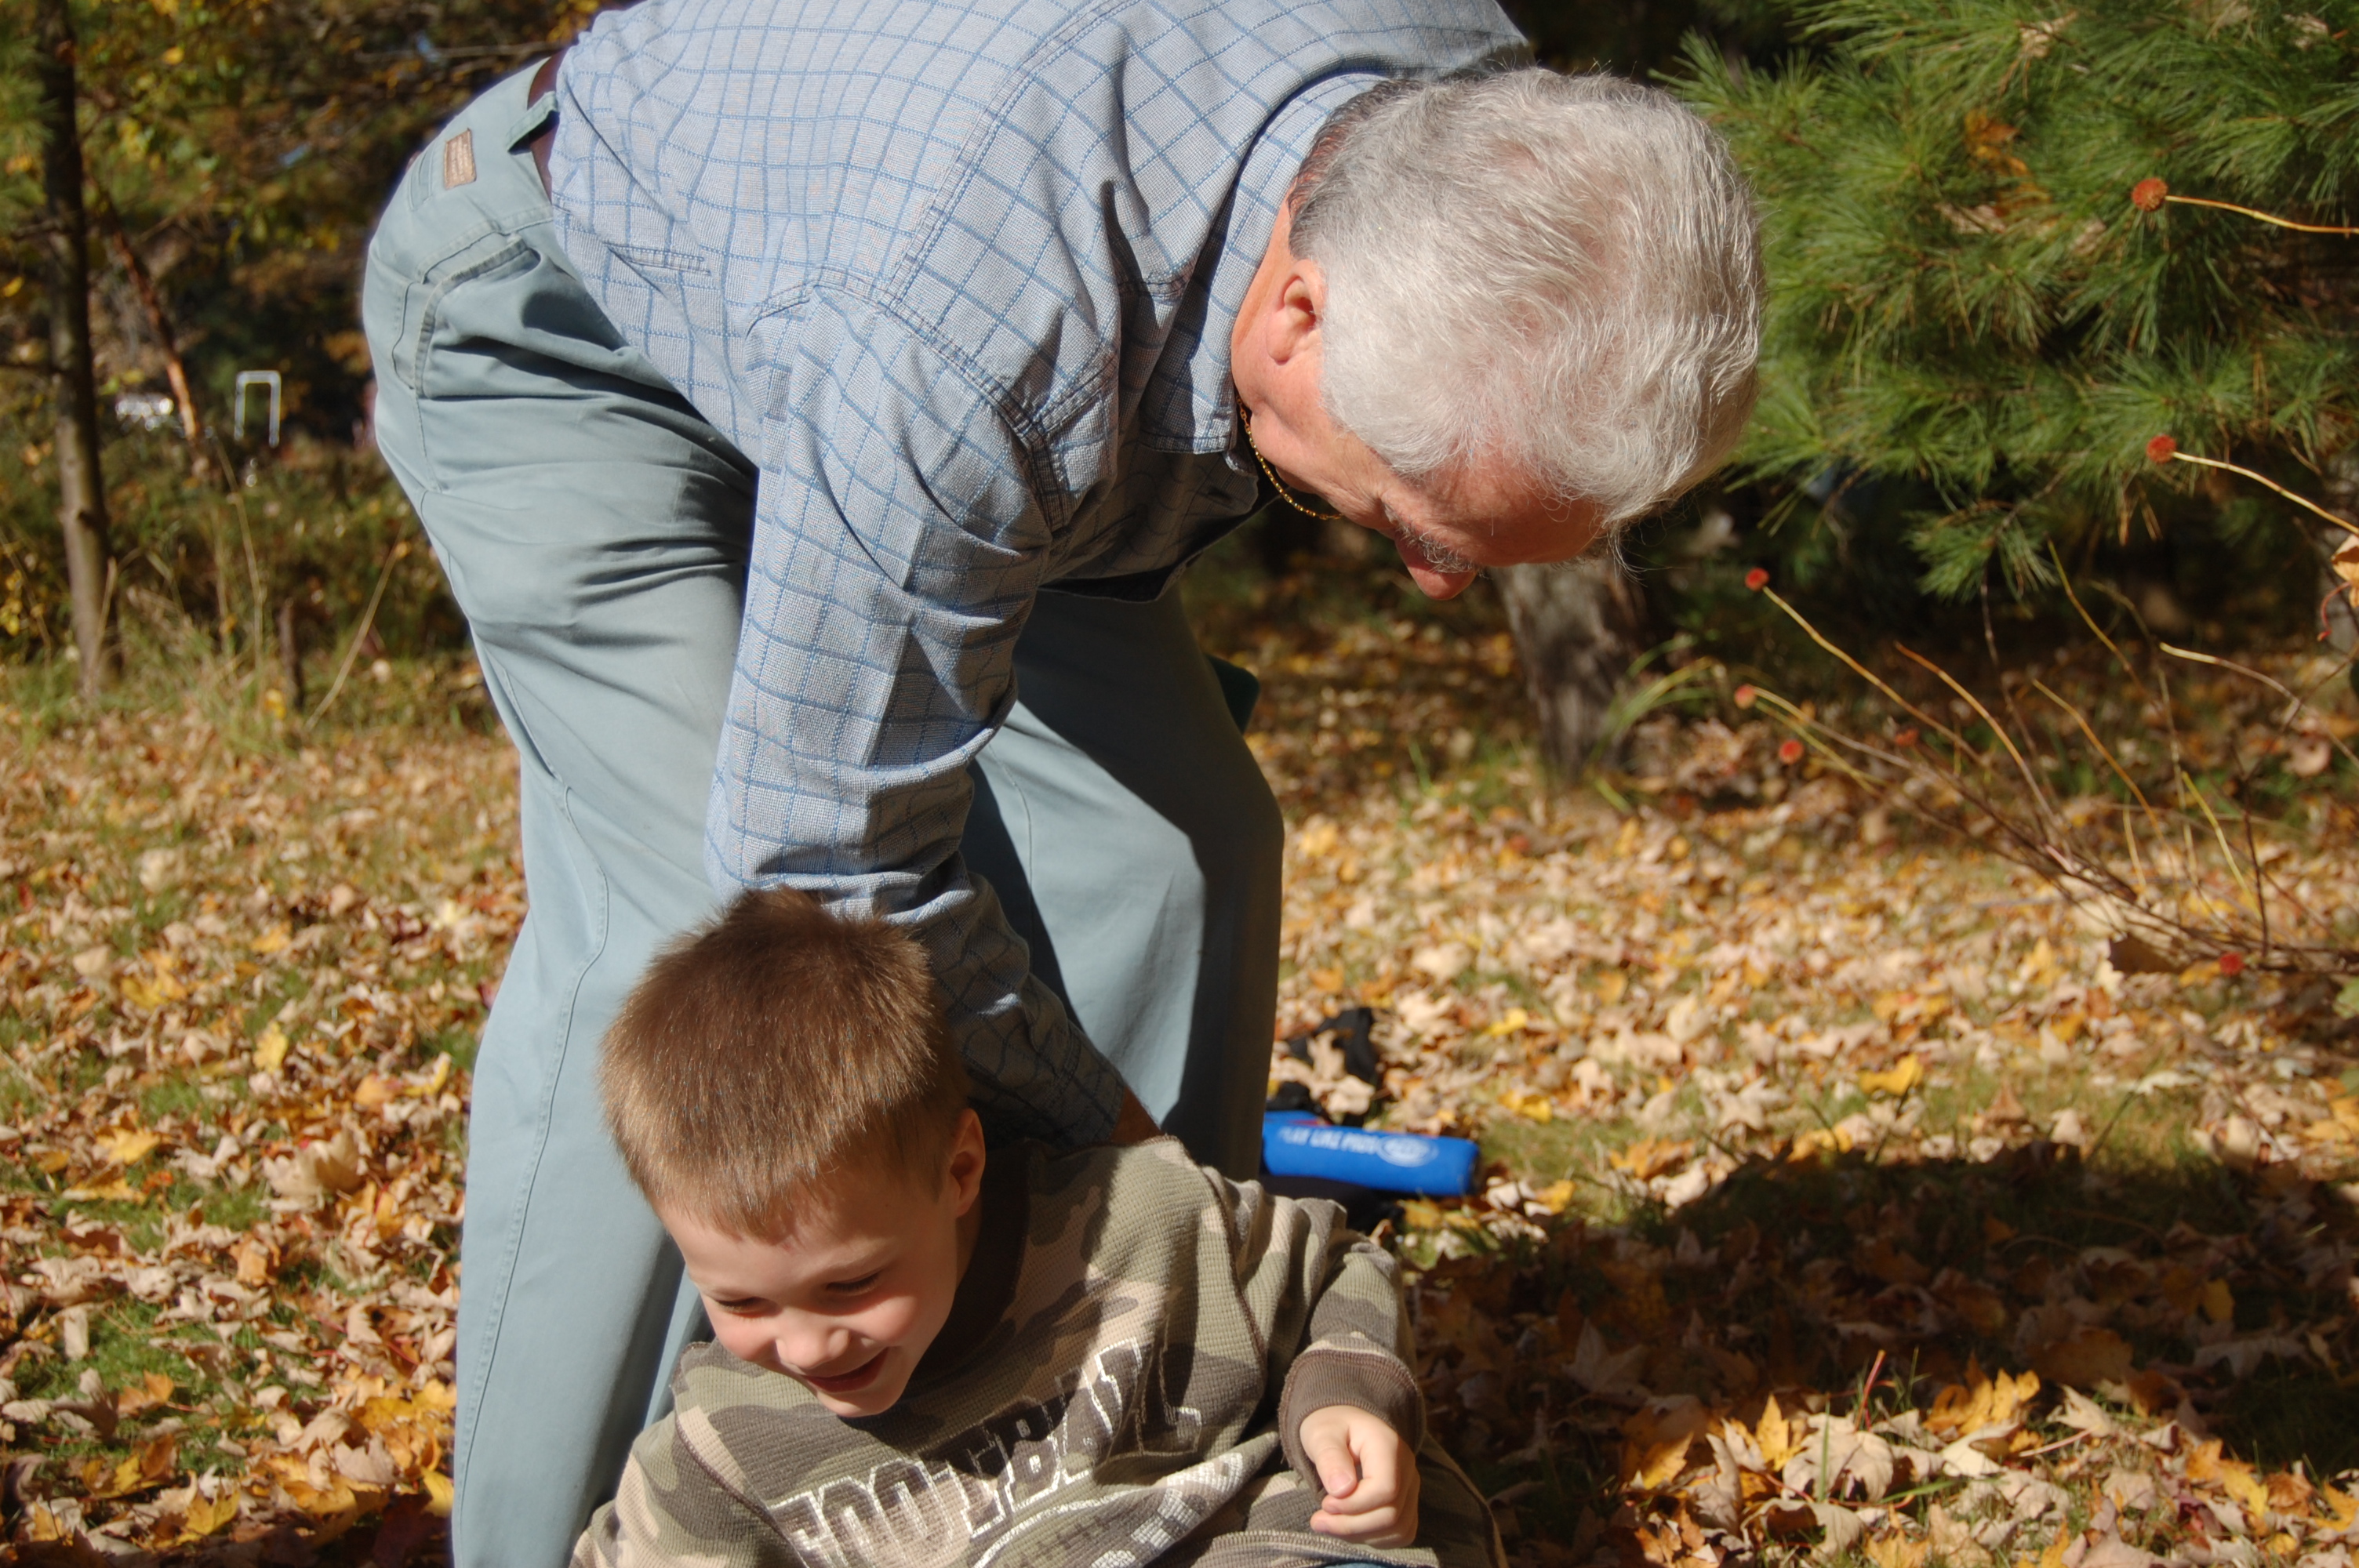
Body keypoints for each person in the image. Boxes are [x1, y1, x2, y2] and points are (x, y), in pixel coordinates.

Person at [358, 0, 1760, 1556]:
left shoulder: (1482, 114)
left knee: (1176, 853)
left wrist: (1152, 1213)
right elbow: (821, 862)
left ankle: (1135, 1430)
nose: (1433, 583)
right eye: (1416, 523)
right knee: (722, 963)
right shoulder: (983, 324)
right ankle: (570, 1528)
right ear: (1298, 315)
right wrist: (1113, 1140)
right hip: (577, 319)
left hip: (995, 368)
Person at [575, 886, 1503, 1568]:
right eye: (740, 1301)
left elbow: (1330, 1264)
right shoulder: (726, 1448)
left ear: (959, 1170)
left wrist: (1344, 1394)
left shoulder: (1137, 1224)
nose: (808, 1344)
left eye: (850, 1283)